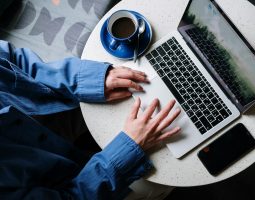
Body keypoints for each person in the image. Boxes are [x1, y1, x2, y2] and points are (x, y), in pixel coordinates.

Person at [0, 40, 181, 200]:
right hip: (64, 184)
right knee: (163, 178)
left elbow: (14, 61)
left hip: (36, 116)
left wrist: (93, 79)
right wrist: (129, 149)